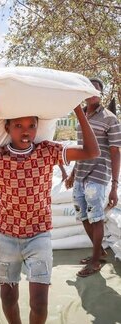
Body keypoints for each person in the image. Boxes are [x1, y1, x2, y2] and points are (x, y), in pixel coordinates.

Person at [0, 88, 100, 324]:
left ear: (38, 127)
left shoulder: (47, 151)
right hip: (7, 235)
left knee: (39, 302)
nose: (26, 132)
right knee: (7, 296)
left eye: (31, 126)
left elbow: (91, 151)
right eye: (18, 126)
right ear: (7, 128)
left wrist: (78, 109)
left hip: (39, 236)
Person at [65, 78, 121, 277]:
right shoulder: (81, 117)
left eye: (97, 89)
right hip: (81, 173)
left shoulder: (110, 118)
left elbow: (115, 152)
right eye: (89, 89)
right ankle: (99, 252)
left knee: (96, 218)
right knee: (83, 215)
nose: (93, 92)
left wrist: (114, 185)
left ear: (101, 94)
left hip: (99, 174)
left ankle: (96, 261)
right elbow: (82, 148)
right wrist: (72, 173)